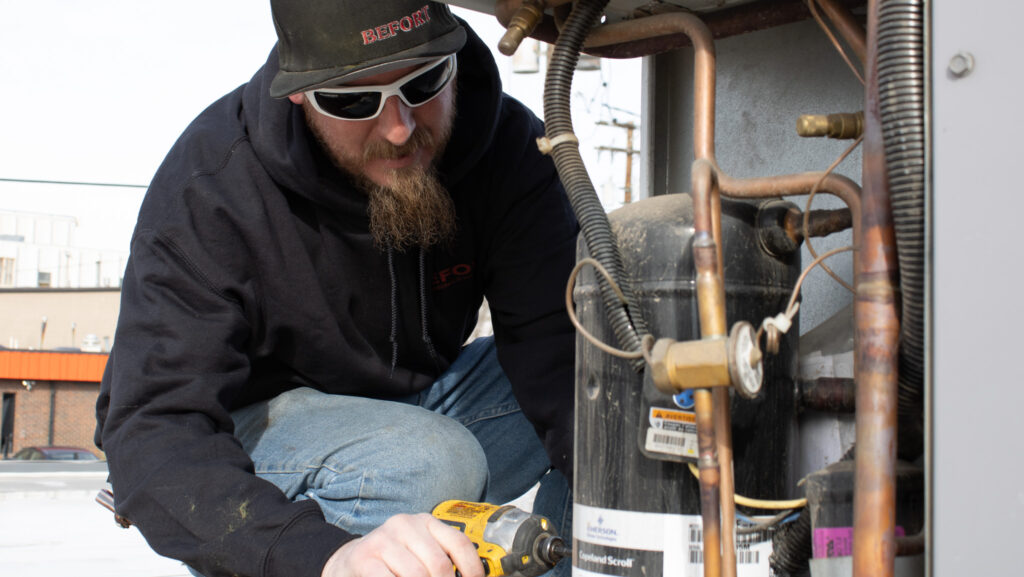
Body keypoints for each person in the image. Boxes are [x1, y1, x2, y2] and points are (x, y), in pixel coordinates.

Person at [93, 2, 579, 577]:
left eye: (423, 83)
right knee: (426, 461)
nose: (400, 128)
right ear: (298, 94)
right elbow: (152, 427)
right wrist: (321, 558)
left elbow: (555, 346)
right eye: (353, 100)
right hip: (261, 442)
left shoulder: (509, 148)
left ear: (453, 59)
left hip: (427, 408)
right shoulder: (214, 188)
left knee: (610, 389)